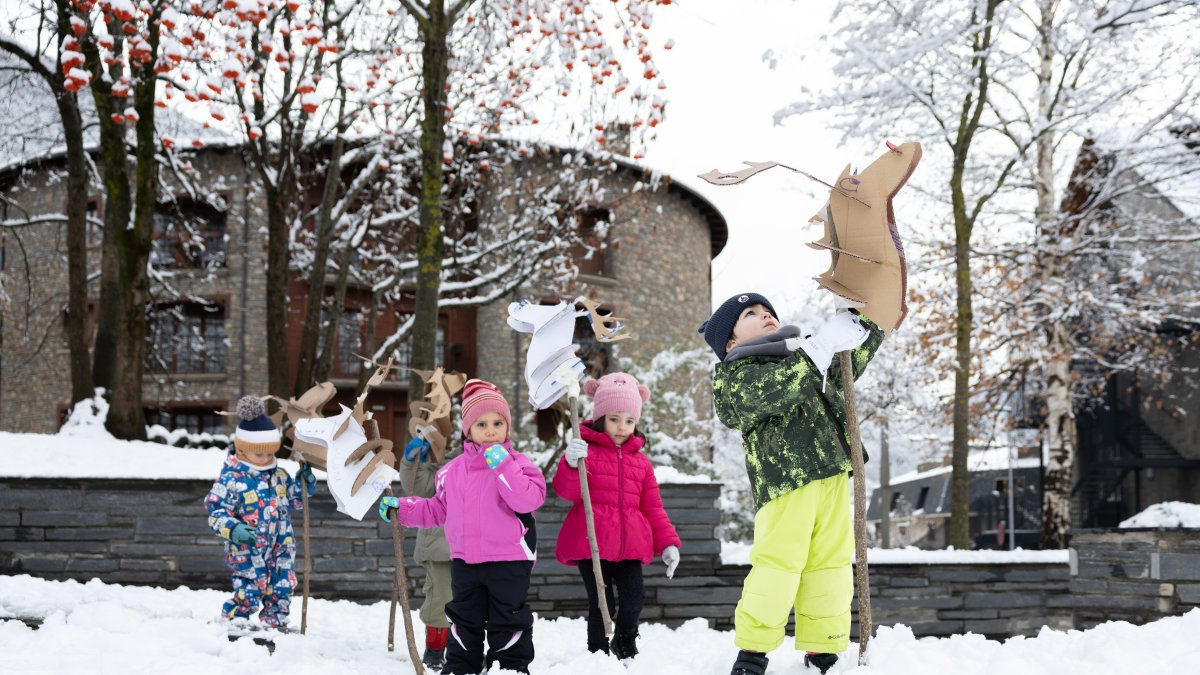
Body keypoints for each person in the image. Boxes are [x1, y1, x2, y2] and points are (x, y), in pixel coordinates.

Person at [698, 292, 883, 675]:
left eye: (769, 311)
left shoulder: (806, 358)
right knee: (779, 564)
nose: (765, 316)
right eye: (751, 313)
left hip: (831, 475)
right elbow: (778, 388)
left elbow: (848, 366)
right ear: (730, 341)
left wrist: (866, 320)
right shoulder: (736, 374)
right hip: (785, 483)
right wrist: (822, 344)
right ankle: (753, 649)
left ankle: (824, 646)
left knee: (829, 564)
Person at [379, 379, 545, 675]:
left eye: (497, 422)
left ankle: (510, 667)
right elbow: (437, 509)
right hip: (466, 562)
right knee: (464, 619)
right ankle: (461, 668)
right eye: (481, 424)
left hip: (509, 561)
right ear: (468, 430)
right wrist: (402, 509)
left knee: (507, 618)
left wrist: (503, 465)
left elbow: (527, 500)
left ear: (507, 426)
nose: (491, 430)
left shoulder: (519, 464)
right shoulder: (451, 472)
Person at [552, 372, 682, 660]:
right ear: (601, 418)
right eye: (614, 419)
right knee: (602, 602)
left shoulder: (641, 462)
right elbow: (567, 492)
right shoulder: (585, 451)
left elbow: (653, 507)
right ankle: (598, 654)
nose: (622, 427)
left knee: (634, 598)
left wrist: (668, 543)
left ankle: (624, 639)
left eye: (629, 420)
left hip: (630, 547)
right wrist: (571, 464)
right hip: (592, 543)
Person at [206, 396, 316, 629]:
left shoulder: (279, 476)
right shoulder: (231, 480)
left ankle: (275, 621)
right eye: (260, 454)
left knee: (282, 586)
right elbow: (215, 512)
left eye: (270, 454)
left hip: (281, 546)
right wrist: (233, 528)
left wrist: (304, 484)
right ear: (242, 450)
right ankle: (236, 619)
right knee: (250, 587)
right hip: (247, 548)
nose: (266, 459)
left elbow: (295, 500)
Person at [399, 430, 459, 672]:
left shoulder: (493, 465)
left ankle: (466, 648)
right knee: (440, 601)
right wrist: (412, 461)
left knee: (474, 604)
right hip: (440, 547)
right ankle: (435, 649)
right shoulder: (441, 470)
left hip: (478, 550)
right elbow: (415, 487)